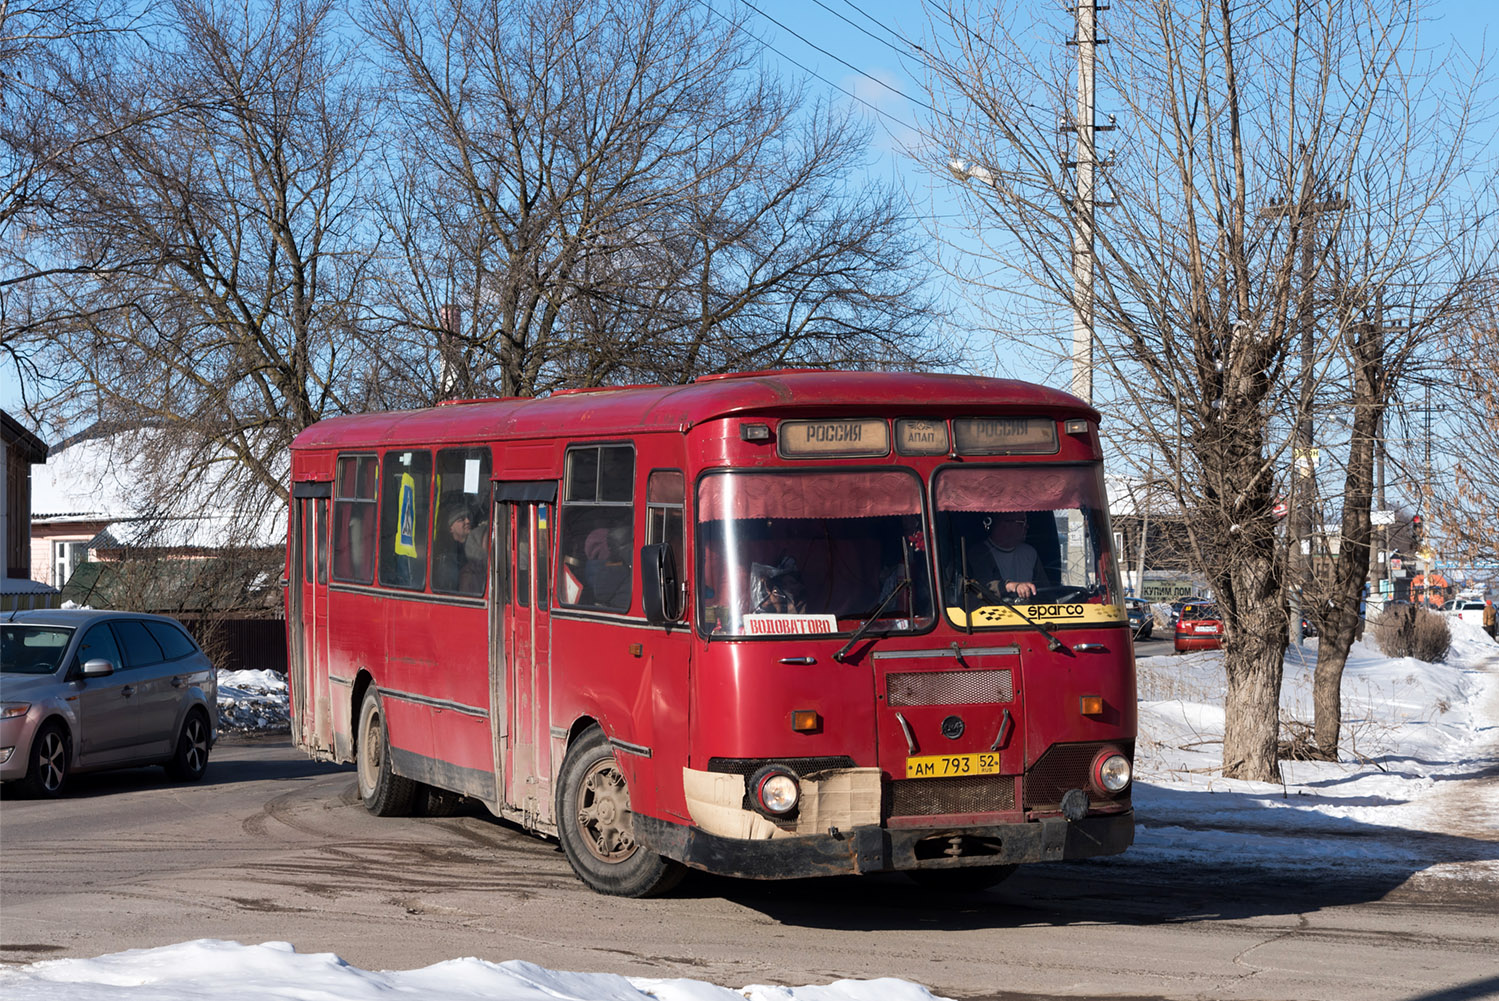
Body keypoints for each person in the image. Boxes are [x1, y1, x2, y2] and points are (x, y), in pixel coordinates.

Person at [967, 512, 1049, 601]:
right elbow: (983, 587)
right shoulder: (980, 553)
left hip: (1028, 613)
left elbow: (1045, 591)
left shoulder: (1030, 553)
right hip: (997, 613)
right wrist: (1011, 586)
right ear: (1004, 524)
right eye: (1022, 522)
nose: (1027, 526)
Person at [445, 504, 488, 595]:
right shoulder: (449, 554)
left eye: (468, 517)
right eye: (461, 520)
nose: (467, 521)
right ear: (450, 528)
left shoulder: (477, 544)